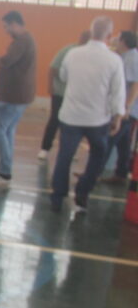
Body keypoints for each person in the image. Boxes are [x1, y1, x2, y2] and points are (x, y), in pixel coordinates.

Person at [50, 16, 125, 213]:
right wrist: (117, 116)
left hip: (71, 115)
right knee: (97, 155)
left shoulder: (73, 54)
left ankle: (57, 197)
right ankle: (82, 194)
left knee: (64, 156)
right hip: (97, 118)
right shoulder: (114, 59)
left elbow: (63, 76)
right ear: (109, 36)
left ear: (91, 32)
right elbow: (118, 91)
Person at [0, 10, 36, 187]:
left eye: (6, 27)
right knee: (8, 131)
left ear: (14, 24)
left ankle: (5, 171)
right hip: (18, 95)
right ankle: (5, 169)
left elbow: (4, 62)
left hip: (14, 96)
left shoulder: (22, 42)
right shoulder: (25, 40)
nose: (5, 31)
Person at [39, 31, 89, 161]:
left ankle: (70, 150)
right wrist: (50, 86)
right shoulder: (68, 50)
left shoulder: (89, 54)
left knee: (74, 123)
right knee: (55, 120)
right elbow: (53, 68)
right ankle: (45, 148)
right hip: (60, 93)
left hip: (77, 95)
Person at [104, 30, 138, 184]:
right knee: (123, 143)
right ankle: (121, 173)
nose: (115, 41)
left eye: (118, 39)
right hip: (127, 109)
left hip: (126, 110)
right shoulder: (125, 57)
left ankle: (94, 172)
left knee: (109, 139)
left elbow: (135, 84)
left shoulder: (132, 58)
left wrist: (126, 107)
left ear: (123, 41)